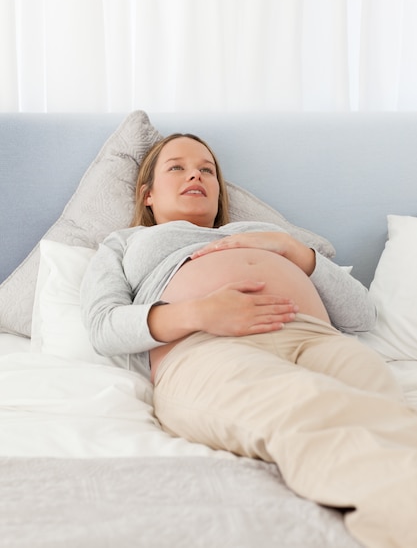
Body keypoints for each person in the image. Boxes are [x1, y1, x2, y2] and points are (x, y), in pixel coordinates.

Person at [81, 132, 417, 548]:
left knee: (385, 412)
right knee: (312, 409)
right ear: (147, 195)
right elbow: (102, 325)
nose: (196, 175)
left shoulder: (264, 231)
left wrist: (292, 249)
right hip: (206, 347)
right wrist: (199, 312)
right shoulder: (125, 242)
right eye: (177, 167)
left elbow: (361, 315)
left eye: (207, 170)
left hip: (317, 339)